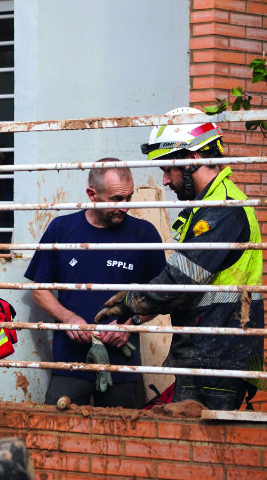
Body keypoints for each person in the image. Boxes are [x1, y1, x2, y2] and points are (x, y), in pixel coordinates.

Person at [96, 107, 264, 411]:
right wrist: (136, 313)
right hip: (207, 347)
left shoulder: (222, 208)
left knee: (201, 448)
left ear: (192, 160)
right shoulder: (209, 207)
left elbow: (181, 280)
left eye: (167, 168)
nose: (164, 181)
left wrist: (131, 302)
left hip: (218, 352)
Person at [25, 159, 166, 408]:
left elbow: (160, 297)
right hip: (70, 363)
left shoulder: (145, 234)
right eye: (116, 199)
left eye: (128, 198)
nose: (124, 207)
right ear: (92, 194)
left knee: (118, 438)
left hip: (121, 365)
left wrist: (130, 325)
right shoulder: (61, 229)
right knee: (56, 430)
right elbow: (40, 289)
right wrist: (68, 318)